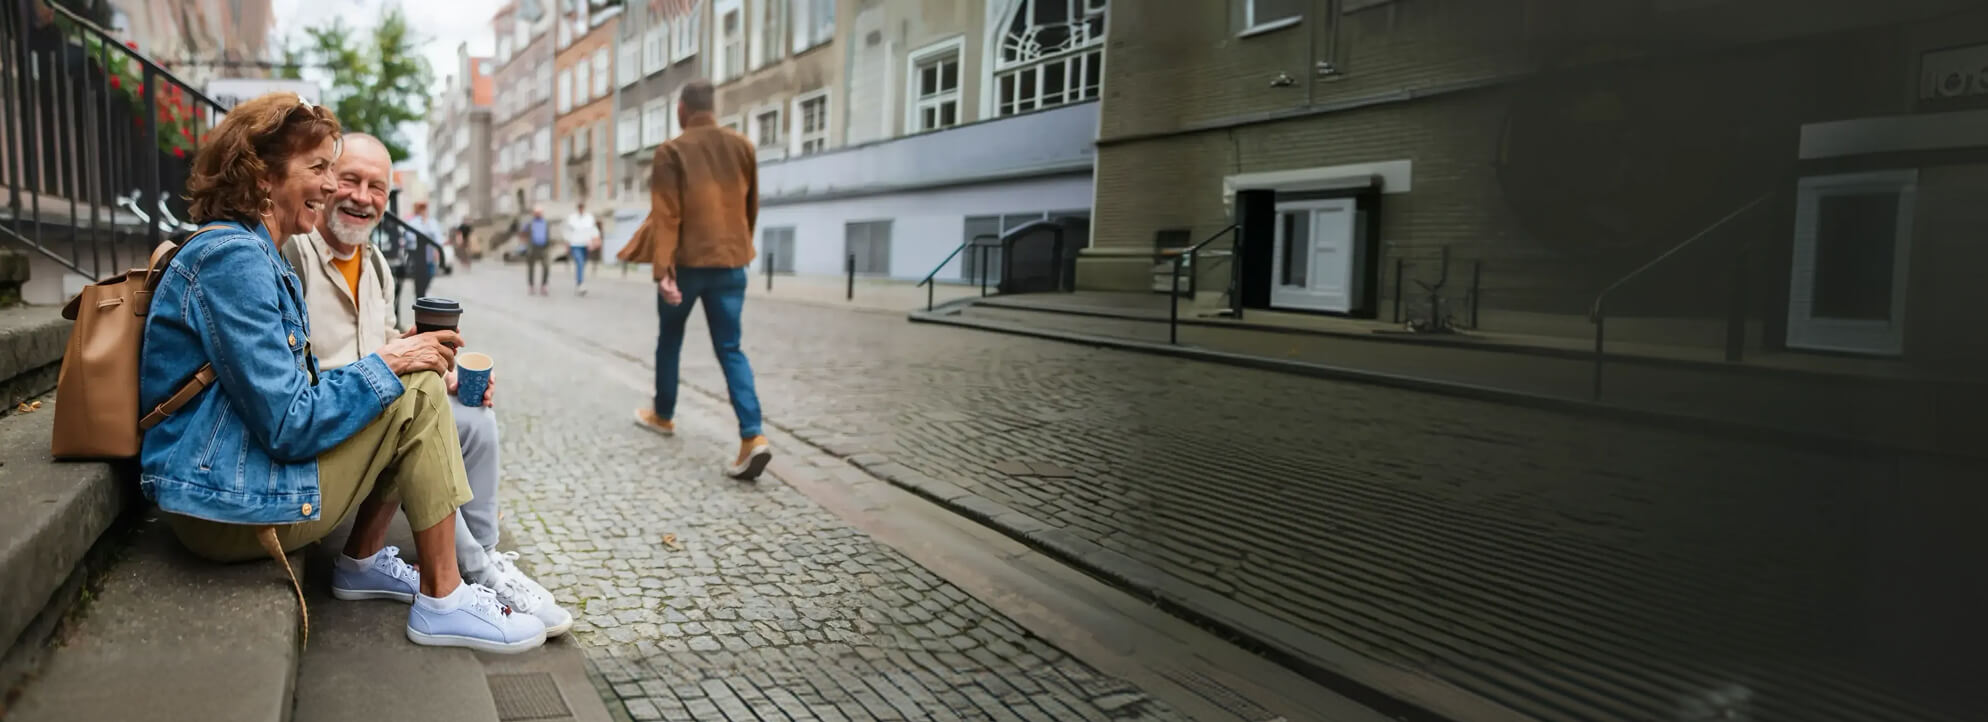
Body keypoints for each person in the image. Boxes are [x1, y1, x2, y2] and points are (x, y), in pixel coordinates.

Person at [139, 92, 545, 653]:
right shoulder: (234, 259)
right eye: (320, 169)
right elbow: (289, 423)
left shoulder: (259, 253)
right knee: (415, 390)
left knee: (415, 386)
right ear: (262, 175)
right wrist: (391, 363)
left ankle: (383, 569)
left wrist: (394, 359)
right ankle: (445, 595)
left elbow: (292, 397)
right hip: (221, 509)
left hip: (228, 484)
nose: (331, 187)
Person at [281, 132, 572, 636]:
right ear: (326, 182)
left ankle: (486, 556)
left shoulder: (373, 263)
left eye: (377, 188)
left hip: (370, 409)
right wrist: (399, 362)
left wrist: (430, 358)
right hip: (328, 430)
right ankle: (472, 577)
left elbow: (381, 339)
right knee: (418, 408)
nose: (362, 197)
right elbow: (298, 383)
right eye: (349, 180)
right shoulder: (294, 255)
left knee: (474, 414)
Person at [619, 80, 771, 481]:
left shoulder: (672, 151)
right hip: (730, 263)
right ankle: (752, 436)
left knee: (670, 341)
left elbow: (666, 216)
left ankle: (664, 415)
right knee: (730, 347)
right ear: (713, 108)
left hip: (685, 266)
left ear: (682, 110)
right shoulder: (743, 147)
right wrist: (737, 248)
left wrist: (663, 270)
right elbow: (750, 208)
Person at [563, 200, 600, 296]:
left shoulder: (589, 218)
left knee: (582, 264)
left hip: (585, 245)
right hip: (575, 245)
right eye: (579, 207)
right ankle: (581, 284)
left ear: (584, 208)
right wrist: (567, 244)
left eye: (582, 207)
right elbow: (568, 232)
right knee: (579, 262)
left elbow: (594, 230)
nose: (581, 208)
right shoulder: (572, 218)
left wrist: (595, 241)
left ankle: (579, 282)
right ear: (577, 208)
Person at [523, 206, 551, 296]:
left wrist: (548, 244)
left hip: (543, 247)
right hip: (533, 247)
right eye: (536, 213)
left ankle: (544, 285)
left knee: (546, 266)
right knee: (531, 267)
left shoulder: (545, 223)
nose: (538, 214)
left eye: (539, 212)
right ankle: (531, 285)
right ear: (534, 214)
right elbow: (523, 232)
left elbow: (548, 234)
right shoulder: (530, 223)